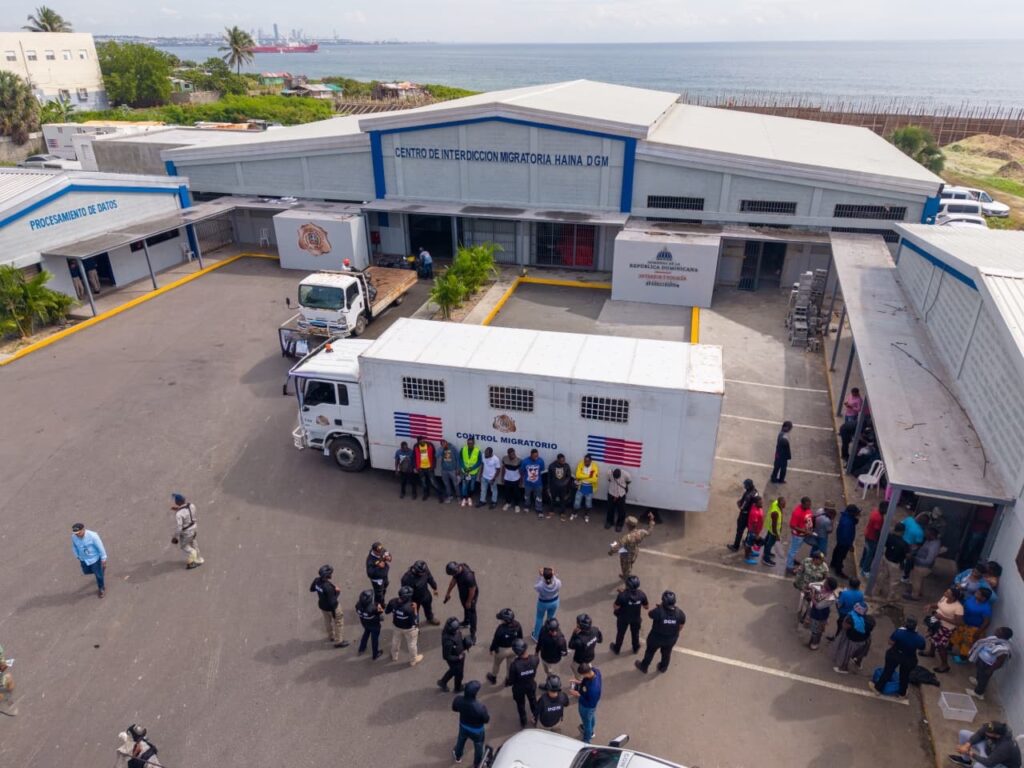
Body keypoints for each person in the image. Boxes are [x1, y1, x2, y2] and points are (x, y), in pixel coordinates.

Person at [871, 617, 925, 699]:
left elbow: (890, 642)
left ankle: (878, 689)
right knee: (905, 676)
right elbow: (922, 647)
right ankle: (902, 693)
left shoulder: (899, 632)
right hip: (909, 657)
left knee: (888, 671)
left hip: (895, 654)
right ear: (915, 627)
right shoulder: (919, 638)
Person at [636, 591, 685, 674]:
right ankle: (663, 668)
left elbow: (649, 614)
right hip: (670, 639)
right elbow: (680, 627)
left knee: (650, 652)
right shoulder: (680, 613)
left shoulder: (658, 611)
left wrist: (659, 608)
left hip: (656, 638)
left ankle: (644, 667)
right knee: (666, 654)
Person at [923, 586, 964, 673]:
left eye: (948, 592)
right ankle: (931, 652)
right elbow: (939, 605)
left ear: (953, 597)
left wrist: (942, 617)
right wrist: (930, 605)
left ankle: (945, 665)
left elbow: (958, 622)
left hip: (945, 628)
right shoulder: (944, 598)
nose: (945, 592)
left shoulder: (958, 608)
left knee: (940, 645)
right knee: (933, 637)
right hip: (936, 622)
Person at [967, 627, 1014, 701]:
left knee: (984, 679)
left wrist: (990, 669)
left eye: (999, 631)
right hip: (981, 660)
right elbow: (983, 643)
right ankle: (977, 680)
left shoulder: (1004, 648)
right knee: (979, 673)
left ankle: (978, 693)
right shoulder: (994, 638)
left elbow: (999, 662)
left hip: (988, 665)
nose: (996, 630)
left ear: (1003, 635)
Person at [949, 721, 1022, 768]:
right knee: (963, 733)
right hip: (990, 750)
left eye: (987, 731)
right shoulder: (995, 727)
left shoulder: (1005, 746)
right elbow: (980, 733)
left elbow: (989, 763)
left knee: (978, 766)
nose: (984, 730)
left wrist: (969, 753)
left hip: (1002, 763)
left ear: (995, 735)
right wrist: (967, 745)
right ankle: (966, 761)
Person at [451, 680, 489, 767]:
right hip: (477, 730)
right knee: (478, 746)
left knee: (461, 740)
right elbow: (486, 720)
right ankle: (477, 764)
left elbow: (454, 708)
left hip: (463, 726)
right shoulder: (480, 707)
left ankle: (458, 756)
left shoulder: (458, 700)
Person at [310, 564, 349, 648]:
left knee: (327, 621)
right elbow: (332, 601)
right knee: (339, 623)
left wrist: (319, 590)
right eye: (330, 573)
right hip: (333, 608)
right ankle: (339, 642)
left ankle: (331, 636)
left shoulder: (317, 580)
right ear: (327, 575)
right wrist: (337, 591)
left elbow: (312, 589)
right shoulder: (328, 587)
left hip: (323, 606)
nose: (331, 575)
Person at [951, 587, 994, 661]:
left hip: (973, 627)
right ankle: (949, 648)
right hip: (963, 623)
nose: (976, 593)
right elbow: (964, 606)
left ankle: (963, 658)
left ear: (983, 598)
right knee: (956, 636)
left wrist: (978, 632)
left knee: (967, 643)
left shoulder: (986, 608)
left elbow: (986, 622)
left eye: (978, 593)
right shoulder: (972, 598)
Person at [610, 512, 656, 581]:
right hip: (635, 552)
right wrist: (651, 520)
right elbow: (649, 532)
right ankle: (627, 573)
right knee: (630, 564)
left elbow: (617, 547)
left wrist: (611, 552)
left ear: (628, 526)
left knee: (625, 567)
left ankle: (626, 578)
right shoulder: (641, 532)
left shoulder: (627, 537)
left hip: (626, 555)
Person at [831, 602, 874, 674]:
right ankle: (858, 663)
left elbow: (844, 627)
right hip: (865, 640)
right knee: (861, 653)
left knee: (846, 654)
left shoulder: (850, 619)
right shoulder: (870, 619)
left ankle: (843, 668)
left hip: (852, 641)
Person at [610, 575, 649, 655]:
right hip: (636, 618)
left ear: (627, 585)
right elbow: (646, 607)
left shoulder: (622, 595)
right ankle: (635, 648)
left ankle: (617, 649)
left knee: (620, 634)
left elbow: (615, 607)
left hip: (623, 618)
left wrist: (622, 594)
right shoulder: (641, 594)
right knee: (635, 634)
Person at [386, 585, 423, 666]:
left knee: (395, 641)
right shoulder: (410, 608)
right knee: (412, 644)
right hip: (409, 629)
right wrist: (415, 609)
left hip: (396, 626)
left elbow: (386, 611)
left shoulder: (393, 602)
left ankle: (394, 656)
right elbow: (415, 621)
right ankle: (413, 660)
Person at [506, 639, 540, 728]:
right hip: (531, 685)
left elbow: (511, 681)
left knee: (520, 705)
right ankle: (536, 717)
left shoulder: (514, 665)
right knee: (533, 701)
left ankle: (523, 721)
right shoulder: (535, 659)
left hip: (519, 688)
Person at [444, 561, 480, 643]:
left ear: (456, 571)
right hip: (463, 593)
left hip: (471, 596)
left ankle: (473, 633)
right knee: (465, 607)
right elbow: (453, 581)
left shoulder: (468, 576)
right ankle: (466, 622)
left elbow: (472, 589)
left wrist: (469, 601)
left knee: (472, 613)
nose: (452, 576)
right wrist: (448, 593)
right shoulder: (458, 568)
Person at [487, 608, 524, 685]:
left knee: (496, 664)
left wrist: (491, 649)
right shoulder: (517, 625)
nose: (501, 620)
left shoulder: (501, 629)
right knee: (510, 666)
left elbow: (495, 641)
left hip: (502, 651)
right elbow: (520, 637)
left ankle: (493, 677)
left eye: (502, 619)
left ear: (506, 620)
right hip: (513, 649)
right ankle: (508, 680)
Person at [874, 522, 909, 601]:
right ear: (902, 531)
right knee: (894, 581)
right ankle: (890, 597)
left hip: (886, 559)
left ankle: (876, 591)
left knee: (882, 576)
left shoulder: (889, 537)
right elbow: (908, 555)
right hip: (896, 564)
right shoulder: (904, 544)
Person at [71, 522, 107, 598]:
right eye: (75, 533)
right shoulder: (74, 537)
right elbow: (74, 546)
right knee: (86, 571)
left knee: (98, 575)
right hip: (83, 559)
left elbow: (100, 547)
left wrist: (103, 558)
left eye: (78, 533)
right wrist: (77, 555)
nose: (77, 535)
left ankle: (101, 588)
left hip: (94, 559)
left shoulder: (93, 536)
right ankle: (101, 569)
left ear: (83, 529)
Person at [438, 616, 472, 693]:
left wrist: (465, 643)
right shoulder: (448, 641)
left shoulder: (454, 631)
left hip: (459, 654)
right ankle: (457, 688)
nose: (458, 630)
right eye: (456, 629)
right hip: (455, 659)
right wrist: (458, 658)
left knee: (453, 671)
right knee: (459, 674)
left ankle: (443, 682)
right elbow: (446, 656)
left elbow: (458, 641)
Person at [170, 493, 204, 569]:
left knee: (184, 546)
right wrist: (178, 508)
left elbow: (179, 527)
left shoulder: (179, 514)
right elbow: (187, 512)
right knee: (193, 541)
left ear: (177, 502)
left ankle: (191, 561)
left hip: (187, 532)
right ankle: (199, 559)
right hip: (194, 528)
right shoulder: (191, 505)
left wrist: (175, 537)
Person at [401, 560, 440, 625]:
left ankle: (430, 618)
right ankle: (415, 624)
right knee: (414, 613)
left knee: (428, 608)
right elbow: (406, 592)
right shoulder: (407, 578)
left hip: (425, 594)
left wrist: (434, 588)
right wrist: (409, 602)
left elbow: (430, 578)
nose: (424, 574)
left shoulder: (424, 569)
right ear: (416, 571)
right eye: (421, 573)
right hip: (414, 599)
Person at [571, 663, 602, 744]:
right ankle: (591, 731)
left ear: (586, 673)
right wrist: (579, 682)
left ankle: (586, 740)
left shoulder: (593, 689)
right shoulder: (596, 671)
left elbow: (589, 702)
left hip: (587, 707)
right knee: (591, 718)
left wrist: (578, 695)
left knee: (586, 722)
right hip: (591, 707)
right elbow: (585, 682)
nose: (582, 677)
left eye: (583, 675)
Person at [907, 527, 942, 600]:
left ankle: (914, 596)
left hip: (923, 567)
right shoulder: (929, 540)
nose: (924, 535)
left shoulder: (934, 546)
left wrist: (915, 558)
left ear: (931, 535)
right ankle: (919, 593)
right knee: (919, 580)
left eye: (926, 534)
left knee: (916, 581)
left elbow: (929, 561)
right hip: (919, 565)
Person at [804, 576, 838, 650]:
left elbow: (818, 606)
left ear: (828, 586)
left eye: (826, 582)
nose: (823, 582)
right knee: (814, 630)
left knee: (817, 631)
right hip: (816, 613)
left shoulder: (830, 598)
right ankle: (812, 641)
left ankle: (814, 644)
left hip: (820, 616)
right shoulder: (824, 589)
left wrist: (812, 597)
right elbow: (811, 584)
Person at [827, 577, 864, 641]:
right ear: (858, 586)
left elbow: (839, 605)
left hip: (844, 615)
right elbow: (860, 605)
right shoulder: (861, 594)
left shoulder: (845, 593)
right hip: (853, 614)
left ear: (849, 585)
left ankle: (837, 639)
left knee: (840, 627)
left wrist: (837, 599)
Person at [784, 497, 815, 574]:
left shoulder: (807, 509)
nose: (809, 506)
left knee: (796, 549)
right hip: (798, 536)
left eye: (810, 504)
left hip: (804, 534)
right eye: (807, 505)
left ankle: (792, 560)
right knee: (793, 551)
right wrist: (805, 531)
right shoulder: (797, 512)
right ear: (803, 504)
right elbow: (792, 525)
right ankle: (789, 567)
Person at [729, 479, 758, 552]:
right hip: (751, 515)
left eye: (745, 485)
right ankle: (746, 542)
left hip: (744, 515)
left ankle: (736, 546)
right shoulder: (755, 492)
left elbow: (742, 507)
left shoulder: (748, 496)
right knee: (749, 530)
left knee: (739, 531)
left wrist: (739, 505)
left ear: (748, 486)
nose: (744, 486)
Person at [830, 504, 859, 578]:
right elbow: (846, 536)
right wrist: (850, 545)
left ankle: (833, 563)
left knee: (837, 551)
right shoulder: (848, 523)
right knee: (841, 556)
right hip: (844, 542)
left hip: (840, 539)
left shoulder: (845, 516)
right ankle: (838, 571)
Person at [533, 567, 561, 641]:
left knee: (539, 618)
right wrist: (553, 574)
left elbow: (535, 586)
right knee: (551, 618)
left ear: (543, 576)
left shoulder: (540, 586)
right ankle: (549, 633)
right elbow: (556, 582)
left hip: (543, 603)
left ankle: (537, 636)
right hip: (554, 601)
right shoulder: (557, 582)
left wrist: (540, 577)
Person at [355, 589, 384, 660]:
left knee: (366, 634)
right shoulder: (373, 607)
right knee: (374, 639)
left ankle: (361, 648)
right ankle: (375, 654)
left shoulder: (358, 605)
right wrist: (379, 604)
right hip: (374, 625)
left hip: (365, 623)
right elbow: (381, 611)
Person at [572, 454, 600, 522]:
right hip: (581, 487)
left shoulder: (595, 466)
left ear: (590, 461)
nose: (585, 462)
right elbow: (577, 475)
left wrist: (582, 477)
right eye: (584, 461)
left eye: (587, 461)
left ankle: (586, 515)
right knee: (576, 503)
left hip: (589, 488)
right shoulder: (581, 464)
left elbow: (594, 479)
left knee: (588, 504)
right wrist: (589, 476)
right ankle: (574, 513)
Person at [548, 454, 575, 521]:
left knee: (563, 500)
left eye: (564, 460)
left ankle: (562, 512)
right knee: (552, 499)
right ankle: (551, 510)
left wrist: (565, 483)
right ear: (558, 460)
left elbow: (569, 476)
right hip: (554, 486)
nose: (563, 461)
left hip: (563, 487)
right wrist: (549, 486)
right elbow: (549, 477)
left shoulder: (566, 466)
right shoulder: (552, 466)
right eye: (562, 460)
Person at [521, 448, 546, 518]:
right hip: (528, 483)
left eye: (537, 456)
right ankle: (527, 506)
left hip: (538, 483)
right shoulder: (525, 461)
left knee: (539, 497)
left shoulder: (540, 461)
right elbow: (522, 470)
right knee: (527, 496)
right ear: (531, 455)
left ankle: (539, 509)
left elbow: (542, 469)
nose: (536, 457)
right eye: (534, 456)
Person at [859, 505, 884, 577]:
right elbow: (877, 530)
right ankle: (865, 570)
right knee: (870, 554)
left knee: (866, 550)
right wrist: (879, 540)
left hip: (868, 534)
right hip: (872, 538)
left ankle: (862, 564)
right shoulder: (879, 518)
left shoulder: (875, 512)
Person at [366, 542, 392, 606]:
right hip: (377, 580)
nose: (381, 553)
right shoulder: (370, 560)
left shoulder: (382, 551)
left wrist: (389, 558)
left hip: (384, 575)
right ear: (374, 551)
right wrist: (378, 567)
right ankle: (379, 605)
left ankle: (381, 600)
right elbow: (370, 574)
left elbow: (388, 554)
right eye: (379, 552)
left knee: (384, 587)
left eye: (381, 551)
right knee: (378, 594)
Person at [458, 438, 482, 506]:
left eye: (471, 443)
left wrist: (471, 468)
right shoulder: (463, 449)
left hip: (473, 472)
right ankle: (464, 498)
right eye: (468, 443)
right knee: (464, 485)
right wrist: (464, 467)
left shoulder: (477, 451)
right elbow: (460, 459)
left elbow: (479, 462)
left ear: (474, 443)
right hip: (465, 472)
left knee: (472, 486)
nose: (469, 445)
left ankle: (469, 497)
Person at [762, 496, 784, 566]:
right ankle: (766, 559)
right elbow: (774, 525)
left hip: (770, 527)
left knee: (767, 542)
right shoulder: (775, 513)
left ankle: (766, 553)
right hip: (773, 531)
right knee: (769, 544)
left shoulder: (776, 503)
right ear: (779, 504)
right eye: (783, 504)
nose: (784, 505)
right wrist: (777, 535)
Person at [413, 436, 437, 502]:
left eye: (423, 440)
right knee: (423, 483)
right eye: (420, 441)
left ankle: (440, 494)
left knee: (433, 482)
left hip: (429, 468)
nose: (422, 441)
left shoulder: (430, 445)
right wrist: (416, 467)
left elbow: (434, 456)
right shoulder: (416, 446)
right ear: (418, 441)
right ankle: (426, 494)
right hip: (421, 468)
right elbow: (414, 457)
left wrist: (433, 466)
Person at [499, 447, 524, 513]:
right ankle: (508, 503)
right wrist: (502, 477)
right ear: (508, 454)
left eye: (514, 454)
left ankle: (517, 505)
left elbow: (521, 471)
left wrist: (521, 481)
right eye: (511, 454)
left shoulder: (519, 460)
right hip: (507, 479)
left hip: (516, 479)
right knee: (507, 492)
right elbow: (503, 468)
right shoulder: (504, 459)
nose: (513, 455)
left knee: (516, 493)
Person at [743, 494, 765, 563]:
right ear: (756, 503)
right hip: (753, 531)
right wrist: (756, 534)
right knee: (748, 544)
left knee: (751, 543)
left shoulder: (758, 507)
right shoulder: (754, 513)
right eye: (760, 503)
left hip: (756, 531)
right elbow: (753, 525)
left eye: (761, 502)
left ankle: (751, 552)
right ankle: (747, 558)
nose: (762, 504)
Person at [438, 439, 460, 504]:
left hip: (452, 470)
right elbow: (436, 455)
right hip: (444, 470)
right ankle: (449, 496)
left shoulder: (453, 448)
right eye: (442, 444)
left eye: (444, 443)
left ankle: (459, 497)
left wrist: (458, 469)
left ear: (447, 443)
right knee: (446, 484)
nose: (444, 445)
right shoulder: (441, 449)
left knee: (456, 484)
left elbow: (458, 458)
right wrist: (441, 449)